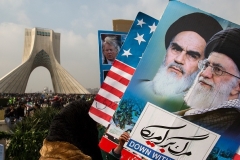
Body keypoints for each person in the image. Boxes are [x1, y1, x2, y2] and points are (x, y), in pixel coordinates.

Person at [134, 12, 223, 112]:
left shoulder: (197, 111)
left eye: (192, 55)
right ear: (167, 49)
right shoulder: (136, 86)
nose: (179, 60)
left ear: (204, 66)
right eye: (176, 49)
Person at [176, 28, 240, 138]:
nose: (204, 73)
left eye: (218, 70)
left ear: (237, 86)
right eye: (206, 65)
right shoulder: (200, 112)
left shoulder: (227, 125)